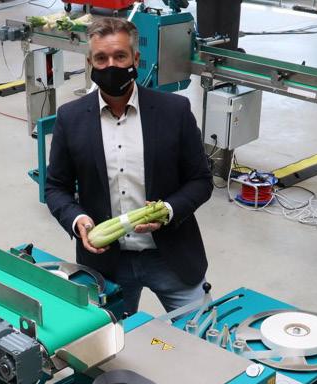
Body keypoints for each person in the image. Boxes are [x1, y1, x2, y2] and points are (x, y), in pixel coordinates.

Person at [45, 17, 213, 317]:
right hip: (106, 263)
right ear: (90, 63)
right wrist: (77, 219)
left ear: (136, 59)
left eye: (120, 56)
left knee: (200, 333)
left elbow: (200, 180)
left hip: (171, 256)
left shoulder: (174, 111)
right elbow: (56, 187)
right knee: (114, 341)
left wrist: (167, 211)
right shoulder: (70, 118)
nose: (111, 65)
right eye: (101, 58)